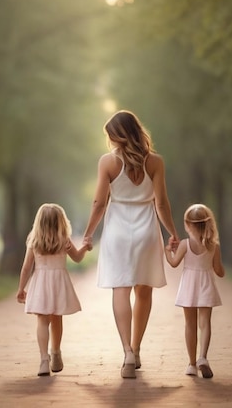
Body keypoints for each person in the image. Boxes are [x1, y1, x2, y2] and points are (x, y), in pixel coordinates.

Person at [82, 110, 179, 379]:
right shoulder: (156, 162)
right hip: (147, 229)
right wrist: (173, 232)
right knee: (144, 291)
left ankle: (125, 352)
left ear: (118, 135)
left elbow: (99, 203)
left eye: (110, 135)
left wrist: (88, 234)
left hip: (118, 231)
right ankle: (136, 349)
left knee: (121, 289)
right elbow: (161, 204)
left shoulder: (108, 163)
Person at [17, 203, 91, 376]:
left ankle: (44, 360)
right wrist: (85, 248)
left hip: (41, 283)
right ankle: (56, 353)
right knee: (57, 318)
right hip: (59, 283)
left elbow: (26, 267)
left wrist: (21, 288)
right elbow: (78, 258)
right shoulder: (64, 240)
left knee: (42, 321)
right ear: (61, 222)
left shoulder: (34, 240)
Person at [164, 204, 225, 378]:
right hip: (206, 285)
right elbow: (219, 271)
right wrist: (221, 267)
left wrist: (167, 251)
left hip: (189, 287)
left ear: (187, 225)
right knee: (205, 323)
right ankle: (203, 358)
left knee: (190, 324)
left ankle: (191, 364)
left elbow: (174, 263)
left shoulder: (184, 244)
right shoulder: (214, 246)